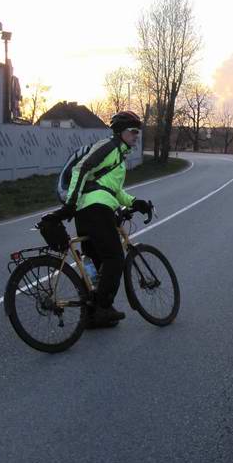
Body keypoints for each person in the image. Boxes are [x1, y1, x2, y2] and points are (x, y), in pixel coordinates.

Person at [53, 110, 152, 328]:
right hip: (95, 209)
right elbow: (81, 168)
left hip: (89, 208)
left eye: (138, 131)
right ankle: (102, 308)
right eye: (133, 131)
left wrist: (136, 202)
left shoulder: (119, 156)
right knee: (115, 258)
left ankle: (91, 314)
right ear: (120, 132)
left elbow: (112, 190)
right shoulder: (109, 146)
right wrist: (70, 203)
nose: (137, 135)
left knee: (96, 264)